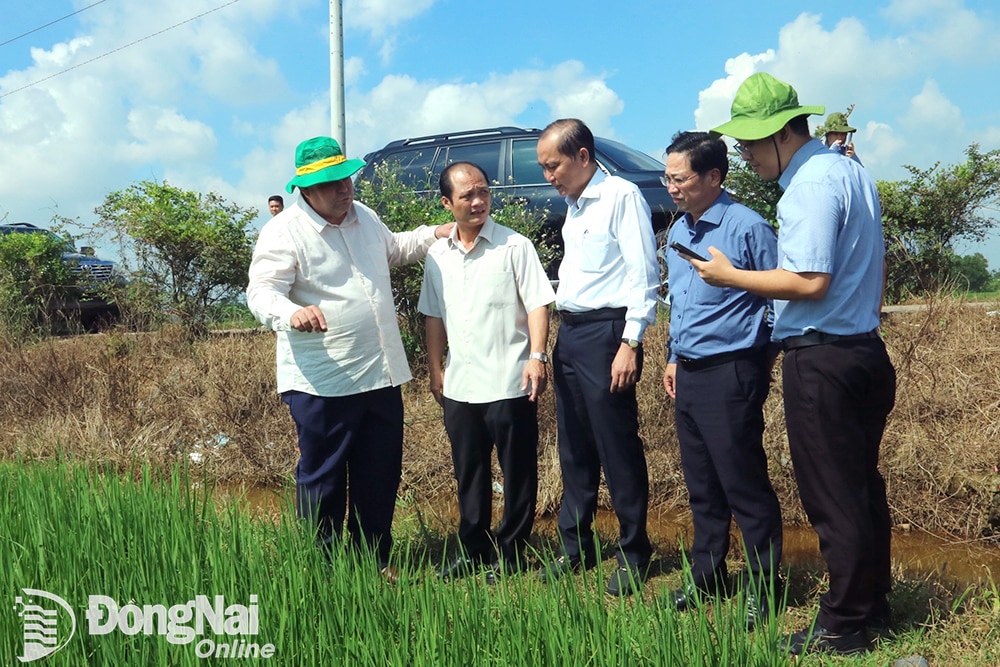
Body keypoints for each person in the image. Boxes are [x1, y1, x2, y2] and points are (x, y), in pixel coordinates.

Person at [693, 73, 895, 655]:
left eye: (752, 144)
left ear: (784, 133)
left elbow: (808, 280)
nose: (746, 156)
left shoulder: (807, 185)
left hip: (822, 357)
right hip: (862, 350)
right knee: (859, 485)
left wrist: (729, 276)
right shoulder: (850, 169)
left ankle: (841, 624)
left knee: (832, 493)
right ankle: (871, 601)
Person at [246, 136, 453, 583]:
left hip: (379, 372)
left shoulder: (365, 218)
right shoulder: (284, 232)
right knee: (322, 480)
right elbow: (262, 291)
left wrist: (434, 234)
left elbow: (395, 248)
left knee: (378, 474)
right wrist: (291, 312)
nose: (344, 189)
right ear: (305, 188)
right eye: (331, 183)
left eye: (345, 179)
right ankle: (320, 568)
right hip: (325, 380)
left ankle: (372, 559)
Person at [659, 131, 782, 629]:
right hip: (687, 372)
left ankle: (764, 585)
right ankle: (707, 575)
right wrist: (671, 356)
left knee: (743, 484)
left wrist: (756, 365)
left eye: (680, 177)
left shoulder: (747, 227)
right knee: (703, 485)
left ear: (713, 176)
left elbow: (782, 301)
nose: (671, 186)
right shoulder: (677, 231)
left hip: (732, 370)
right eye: (667, 177)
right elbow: (681, 305)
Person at [534, 118, 660, 597]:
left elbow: (643, 273)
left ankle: (634, 550)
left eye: (554, 165)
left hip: (609, 334)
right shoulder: (574, 206)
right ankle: (576, 545)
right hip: (573, 332)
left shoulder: (621, 197)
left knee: (617, 445)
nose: (549, 175)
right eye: (544, 167)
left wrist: (630, 342)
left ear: (583, 156)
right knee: (575, 445)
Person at [418, 161, 556, 584]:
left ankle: (511, 550)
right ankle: (473, 547)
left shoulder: (515, 246)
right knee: (469, 471)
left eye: (483, 192)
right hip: (461, 384)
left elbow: (537, 303)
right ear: (447, 203)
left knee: (517, 472)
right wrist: (435, 367)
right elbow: (433, 316)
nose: (478, 201)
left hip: (510, 379)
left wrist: (538, 356)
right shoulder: (437, 255)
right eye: (467, 195)